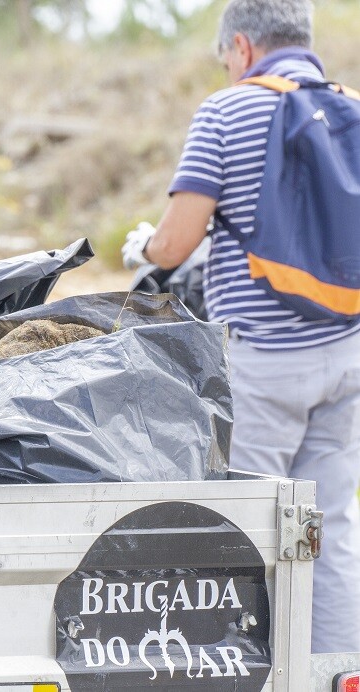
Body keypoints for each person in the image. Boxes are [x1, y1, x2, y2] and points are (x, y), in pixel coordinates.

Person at [121, 0, 360, 654]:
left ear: (243, 47)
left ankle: (249, 671)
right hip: (347, 353)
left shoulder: (226, 111)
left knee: (247, 529)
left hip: (263, 364)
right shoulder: (353, 109)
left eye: (225, 57)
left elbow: (176, 243)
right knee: (331, 528)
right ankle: (335, 674)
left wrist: (142, 248)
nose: (227, 68)